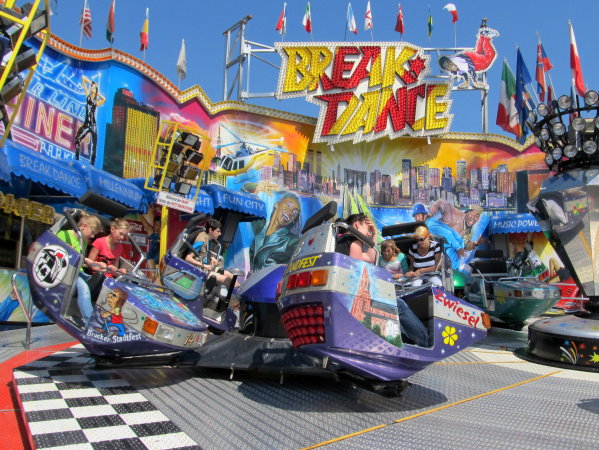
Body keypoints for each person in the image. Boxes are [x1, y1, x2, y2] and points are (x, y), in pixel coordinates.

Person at [336, 214, 429, 347]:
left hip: (345, 295)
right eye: (367, 229)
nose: (368, 233)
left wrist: (374, 234)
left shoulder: (339, 240)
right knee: (399, 305)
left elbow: (371, 258)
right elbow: (355, 271)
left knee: (391, 306)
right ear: (357, 225)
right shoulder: (353, 241)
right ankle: (424, 341)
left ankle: (404, 340)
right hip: (354, 298)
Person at [56, 211, 105, 326]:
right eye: (92, 233)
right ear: (83, 226)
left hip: (78, 272)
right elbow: (58, 254)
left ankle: (101, 319)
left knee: (103, 284)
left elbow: (82, 261)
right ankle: (89, 323)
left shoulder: (83, 241)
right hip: (66, 271)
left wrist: (95, 264)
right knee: (84, 289)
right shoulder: (63, 235)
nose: (92, 236)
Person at [425, 200, 485, 269]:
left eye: (477, 216)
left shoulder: (470, 232)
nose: (473, 217)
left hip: (450, 260)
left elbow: (464, 246)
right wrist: (430, 214)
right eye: (472, 213)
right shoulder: (454, 215)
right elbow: (440, 203)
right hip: (438, 251)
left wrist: (474, 244)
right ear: (467, 212)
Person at [250, 192, 302, 272]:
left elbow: (303, 248)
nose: (290, 212)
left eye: (295, 213)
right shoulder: (260, 227)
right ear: (277, 204)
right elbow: (242, 200)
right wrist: (255, 188)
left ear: (293, 221)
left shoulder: (291, 241)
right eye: (288, 205)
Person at [185, 218, 237, 287]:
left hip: (206, 267)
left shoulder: (208, 238)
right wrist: (204, 266)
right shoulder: (201, 241)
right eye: (218, 231)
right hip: (199, 269)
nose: (220, 234)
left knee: (230, 275)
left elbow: (203, 252)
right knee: (228, 280)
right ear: (210, 230)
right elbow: (188, 258)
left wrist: (211, 258)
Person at [74, 77, 105, 165]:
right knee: (77, 139)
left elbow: (104, 99)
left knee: (94, 146)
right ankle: (76, 158)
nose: (91, 88)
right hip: (86, 124)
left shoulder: (96, 102)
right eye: (91, 87)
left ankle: (92, 164)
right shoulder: (88, 97)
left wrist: (96, 92)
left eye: (93, 87)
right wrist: (92, 83)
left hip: (93, 125)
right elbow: (83, 78)